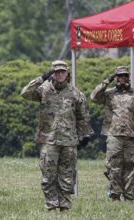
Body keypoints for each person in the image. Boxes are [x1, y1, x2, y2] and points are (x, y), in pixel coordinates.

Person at [20, 60, 93, 212]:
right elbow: (25, 93)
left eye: (63, 72)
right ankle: (52, 206)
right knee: (48, 175)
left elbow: (83, 117)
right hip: (49, 140)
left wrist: (84, 135)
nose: (60, 74)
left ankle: (65, 207)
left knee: (68, 175)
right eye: (56, 72)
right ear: (52, 73)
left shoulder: (75, 93)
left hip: (69, 141)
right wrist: (41, 78)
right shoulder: (44, 90)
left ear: (67, 74)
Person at [91, 66, 134, 201]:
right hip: (114, 135)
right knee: (113, 166)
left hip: (131, 135)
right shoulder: (109, 93)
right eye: (119, 76)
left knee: (131, 166)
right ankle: (115, 196)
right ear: (116, 78)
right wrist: (107, 81)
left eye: (125, 76)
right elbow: (94, 97)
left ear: (129, 77)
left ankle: (129, 197)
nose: (122, 78)